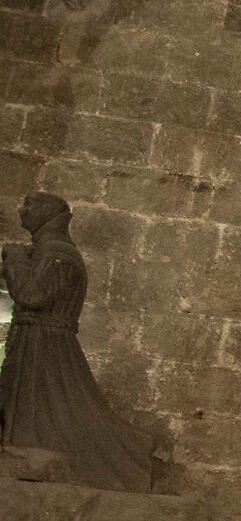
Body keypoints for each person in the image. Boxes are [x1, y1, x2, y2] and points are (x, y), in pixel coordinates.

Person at [0, 193, 150, 489]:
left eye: (29, 205)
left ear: (47, 213)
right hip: (34, 339)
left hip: (44, 344)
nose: (21, 211)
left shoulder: (58, 253)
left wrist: (15, 259)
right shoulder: (46, 250)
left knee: (51, 408)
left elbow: (33, 295)